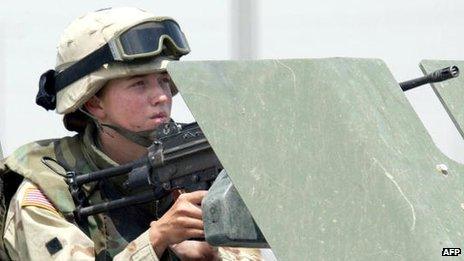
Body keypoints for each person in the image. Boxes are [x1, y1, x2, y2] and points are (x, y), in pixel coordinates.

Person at [0, 7, 262, 260]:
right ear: (93, 102)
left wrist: (212, 256)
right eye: (139, 84)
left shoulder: (198, 170)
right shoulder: (48, 192)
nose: (162, 96)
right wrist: (157, 240)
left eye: (163, 80)